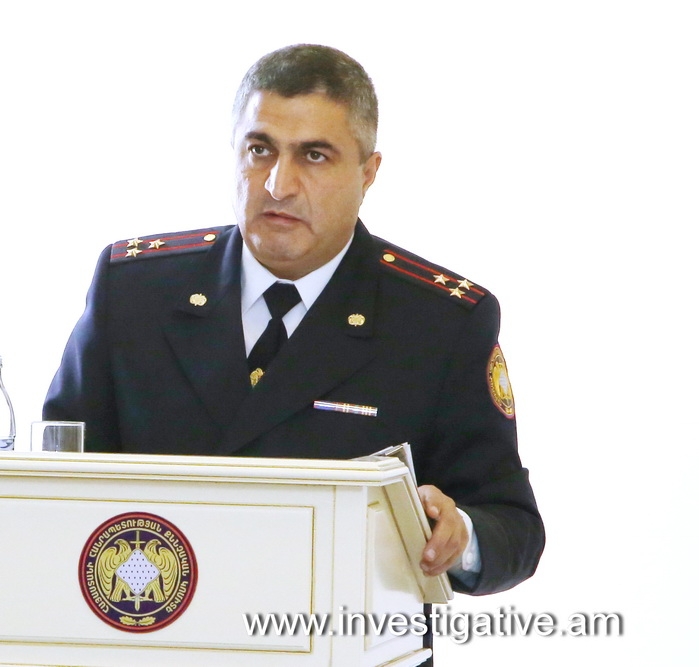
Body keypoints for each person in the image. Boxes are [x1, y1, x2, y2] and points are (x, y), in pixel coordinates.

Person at [44, 44, 543, 597]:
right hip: (155, 620)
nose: (278, 184)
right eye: (260, 150)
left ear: (368, 172)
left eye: (314, 156)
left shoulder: (438, 322)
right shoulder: (135, 290)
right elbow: (54, 479)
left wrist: (459, 535)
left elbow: (514, 527)